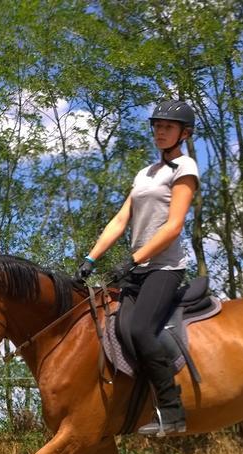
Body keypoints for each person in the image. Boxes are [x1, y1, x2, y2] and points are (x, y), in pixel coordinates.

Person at [75, 100, 200, 436]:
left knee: (141, 330)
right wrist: (90, 259)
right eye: (157, 126)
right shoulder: (144, 174)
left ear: (184, 133)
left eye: (168, 127)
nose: (160, 131)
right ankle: (135, 404)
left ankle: (173, 411)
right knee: (118, 329)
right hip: (140, 270)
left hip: (165, 268)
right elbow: (120, 220)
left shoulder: (184, 168)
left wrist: (133, 258)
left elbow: (173, 227)